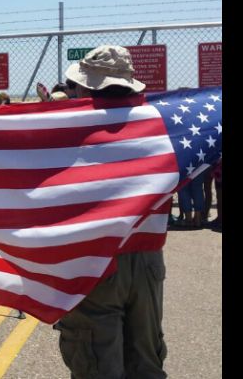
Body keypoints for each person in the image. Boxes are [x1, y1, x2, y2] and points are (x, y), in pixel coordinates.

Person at [55, 45, 167, 379]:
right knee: (146, 359)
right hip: (147, 258)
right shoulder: (159, 123)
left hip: (96, 258)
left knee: (95, 362)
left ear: (89, 87)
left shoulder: (72, 129)